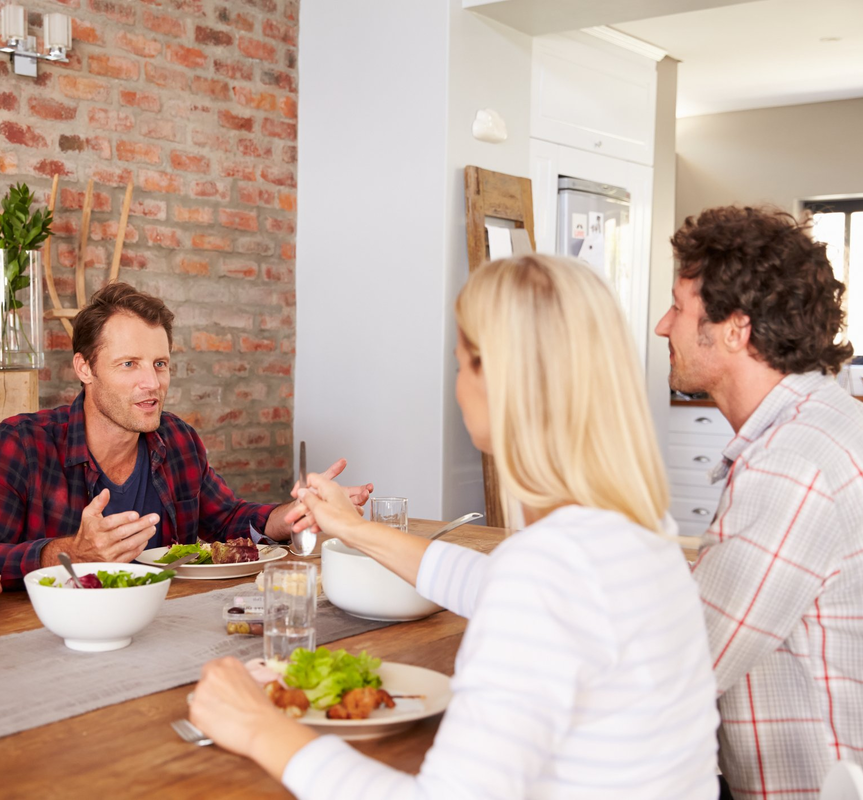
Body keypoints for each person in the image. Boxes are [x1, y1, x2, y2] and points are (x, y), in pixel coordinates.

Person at [188, 254, 721, 798]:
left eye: (462, 362)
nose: (457, 382)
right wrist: (350, 528)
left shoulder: (548, 569)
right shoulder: (633, 530)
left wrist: (259, 728)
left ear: (499, 378)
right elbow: (487, 584)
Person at [655, 206, 863, 798]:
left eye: (679, 307)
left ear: (736, 328)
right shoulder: (844, 422)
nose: (663, 325)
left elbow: (675, 671)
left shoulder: (791, 465)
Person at [0, 282, 372, 589]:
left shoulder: (177, 439)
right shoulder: (20, 444)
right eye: (129, 364)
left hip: (162, 632)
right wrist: (68, 553)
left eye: (159, 364)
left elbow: (225, 520)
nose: (152, 383)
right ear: (84, 368)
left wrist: (287, 517)